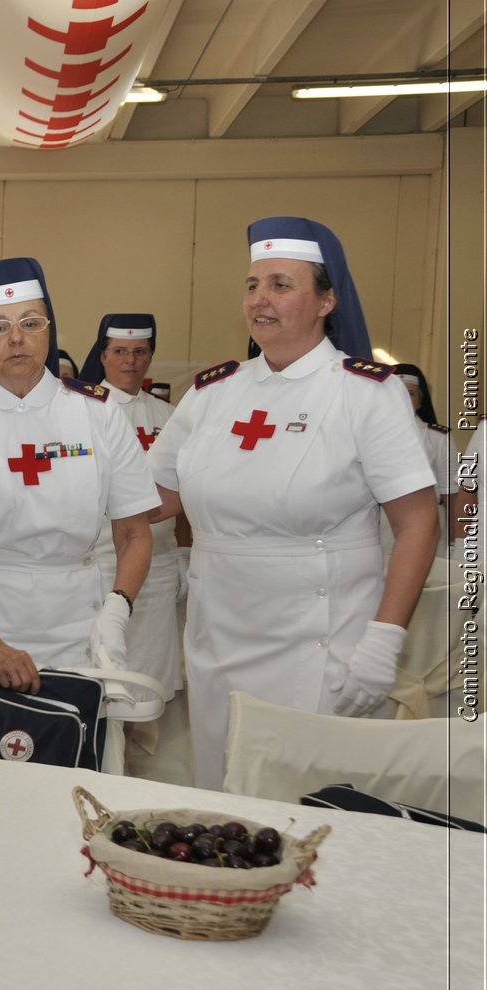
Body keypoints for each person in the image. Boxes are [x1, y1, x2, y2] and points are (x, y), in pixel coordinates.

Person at [147, 216, 437, 789]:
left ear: (326, 300)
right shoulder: (212, 394)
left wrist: (385, 640)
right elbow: (150, 501)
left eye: (281, 285)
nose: (260, 300)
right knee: (223, 797)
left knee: (307, 809)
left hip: (321, 643)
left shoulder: (365, 394)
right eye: (253, 286)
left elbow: (419, 523)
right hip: (219, 637)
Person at [0, 262, 158, 693]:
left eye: (31, 323)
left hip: (81, 631)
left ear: (50, 331)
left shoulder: (99, 412)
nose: (16, 338)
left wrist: (116, 611)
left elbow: (134, 534)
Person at [75, 313, 184, 696]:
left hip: (158, 568)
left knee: (148, 683)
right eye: (119, 351)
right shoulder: (83, 411)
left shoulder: (169, 416)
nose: (130, 361)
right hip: (104, 563)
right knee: (101, 680)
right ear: (102, 356)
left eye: (140, 352)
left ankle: (134, 757)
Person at [386, 362, 457, 558]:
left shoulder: (438, 438)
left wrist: (455, 543)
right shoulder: (367, 436)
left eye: (409, 394)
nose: (402, 399)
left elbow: (451, 496)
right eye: (396, 393)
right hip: (381, 526)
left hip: (428, 522)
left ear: (420, 400)